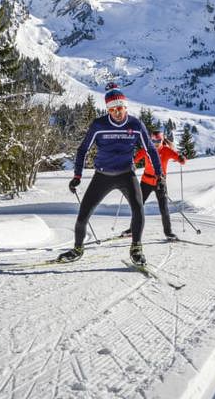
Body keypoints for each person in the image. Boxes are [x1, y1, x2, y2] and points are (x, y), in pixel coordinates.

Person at [59, 83, 163, 266]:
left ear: (125, 107)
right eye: (112, 109)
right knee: (83, 214)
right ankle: (77, 249)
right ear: (108, 109)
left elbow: (151, 151)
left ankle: (136, 248)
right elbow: (83, 150)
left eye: (120, 108)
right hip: (102, 175)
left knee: (138, 209)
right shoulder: (99, 125)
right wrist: (77, 176)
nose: (117, 112)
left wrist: (159, 175)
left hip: (126, 174)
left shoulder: (135, 124)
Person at [121, 130, 186, 241]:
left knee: (164, 208)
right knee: (138, 206)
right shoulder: (147, 150)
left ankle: (168, 232)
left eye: (158, 141)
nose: (155, 143)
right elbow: (134, 159)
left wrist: (181, 158)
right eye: (153, 140)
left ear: (162, 140)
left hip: (160, 183)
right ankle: (132, 229)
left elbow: (182, 161)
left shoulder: (166, 150)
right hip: (145, 182)